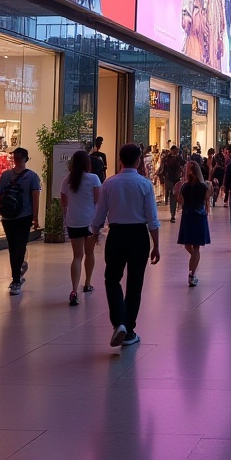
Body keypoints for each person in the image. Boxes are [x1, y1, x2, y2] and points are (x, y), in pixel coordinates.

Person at [91, 143, 160, 347]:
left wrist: (95, 232)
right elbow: (152, 219)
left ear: (120, 160)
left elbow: (99, 214)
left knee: (112, 279)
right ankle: (129, 329)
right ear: (138, 161)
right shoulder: (145, 184)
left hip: (117, 234)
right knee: (135, 282)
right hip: (139, 235)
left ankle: (119, 322)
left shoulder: (109, 184)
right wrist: (156, 245)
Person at [0, 147, 41, 295]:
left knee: (13, 247)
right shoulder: (32, 177)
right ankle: (16, 278)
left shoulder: (6, 175)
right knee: (19, 246)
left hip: (8, 217)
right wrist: (35, 217)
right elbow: (35, 198)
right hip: (23, 216)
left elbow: (0, 196)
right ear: (26, 159)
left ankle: (17, 275)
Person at [60, 149, 101, 306]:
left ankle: (73, 290)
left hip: (73, 221)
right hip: (90, 222)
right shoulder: (94, 179)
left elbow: (64, 203)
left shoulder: (67, 180)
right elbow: (98, 200)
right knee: (89, 253)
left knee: (77, 256)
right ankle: (88, 283)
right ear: (87, 164)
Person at [177, 160, 211, 287]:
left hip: (188, 216)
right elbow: (207, 198)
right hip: (199, 216)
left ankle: (192, 273)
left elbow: (180, 201)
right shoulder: (203, 186)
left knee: (188, 244)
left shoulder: (184, 186)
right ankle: (193, 268)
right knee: (195, 247)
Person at [157, 146, 183, 223]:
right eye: (175, 150)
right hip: (169, 179)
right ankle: (172, 212)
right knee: (171, 195)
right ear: (172, 150)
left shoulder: (179, 159)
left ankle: (173, 214)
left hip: (175, 180)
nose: (176, 152)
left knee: (173, 196)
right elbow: (163, 169)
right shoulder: (166, 159)